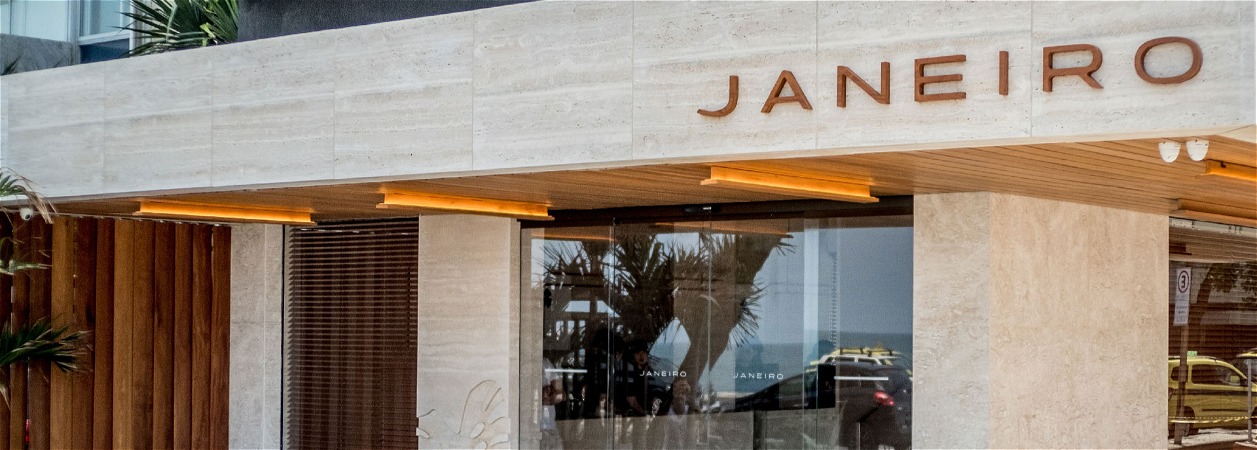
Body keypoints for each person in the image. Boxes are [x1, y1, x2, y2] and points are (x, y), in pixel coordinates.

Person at [541, 358, 565, 449]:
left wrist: (545, 399)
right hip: (528, 428)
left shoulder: (545, 363)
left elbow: (561, 395)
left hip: (548, 427)